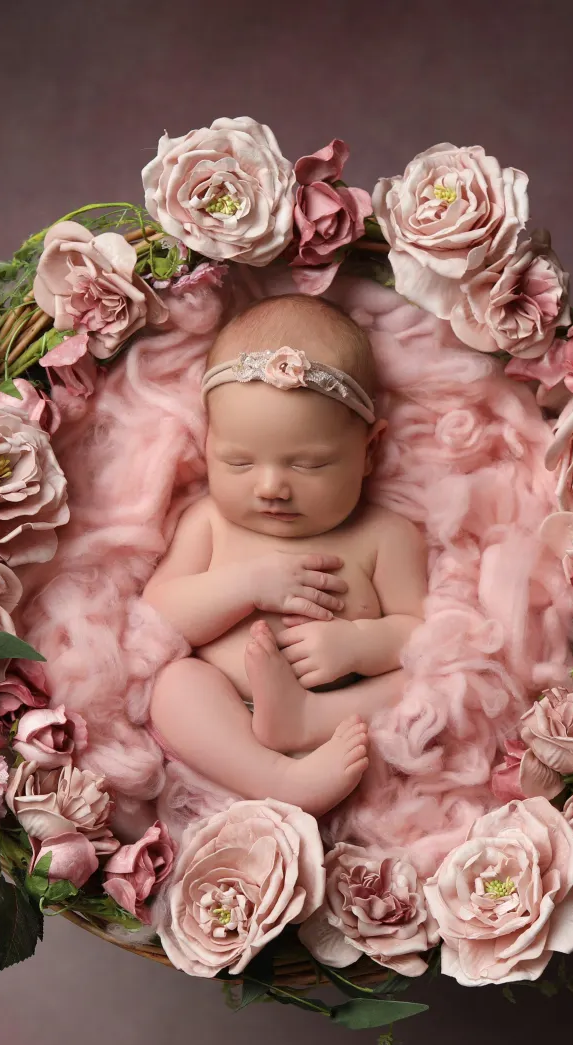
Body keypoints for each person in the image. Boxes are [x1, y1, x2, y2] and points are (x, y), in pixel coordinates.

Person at [142, 293, 428, 816]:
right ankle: (278, 777)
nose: (272, 486)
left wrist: (359, 643)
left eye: (310, 465)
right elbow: (156, 617)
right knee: (174, 685)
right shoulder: (209, 521)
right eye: (238, 461)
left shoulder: (386, 535)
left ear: (369, 451)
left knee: (424, 681)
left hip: (341, 725)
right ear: (207, 444)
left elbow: (422, 633)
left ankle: (302, 720)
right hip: (223, 719)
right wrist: (246, 586)